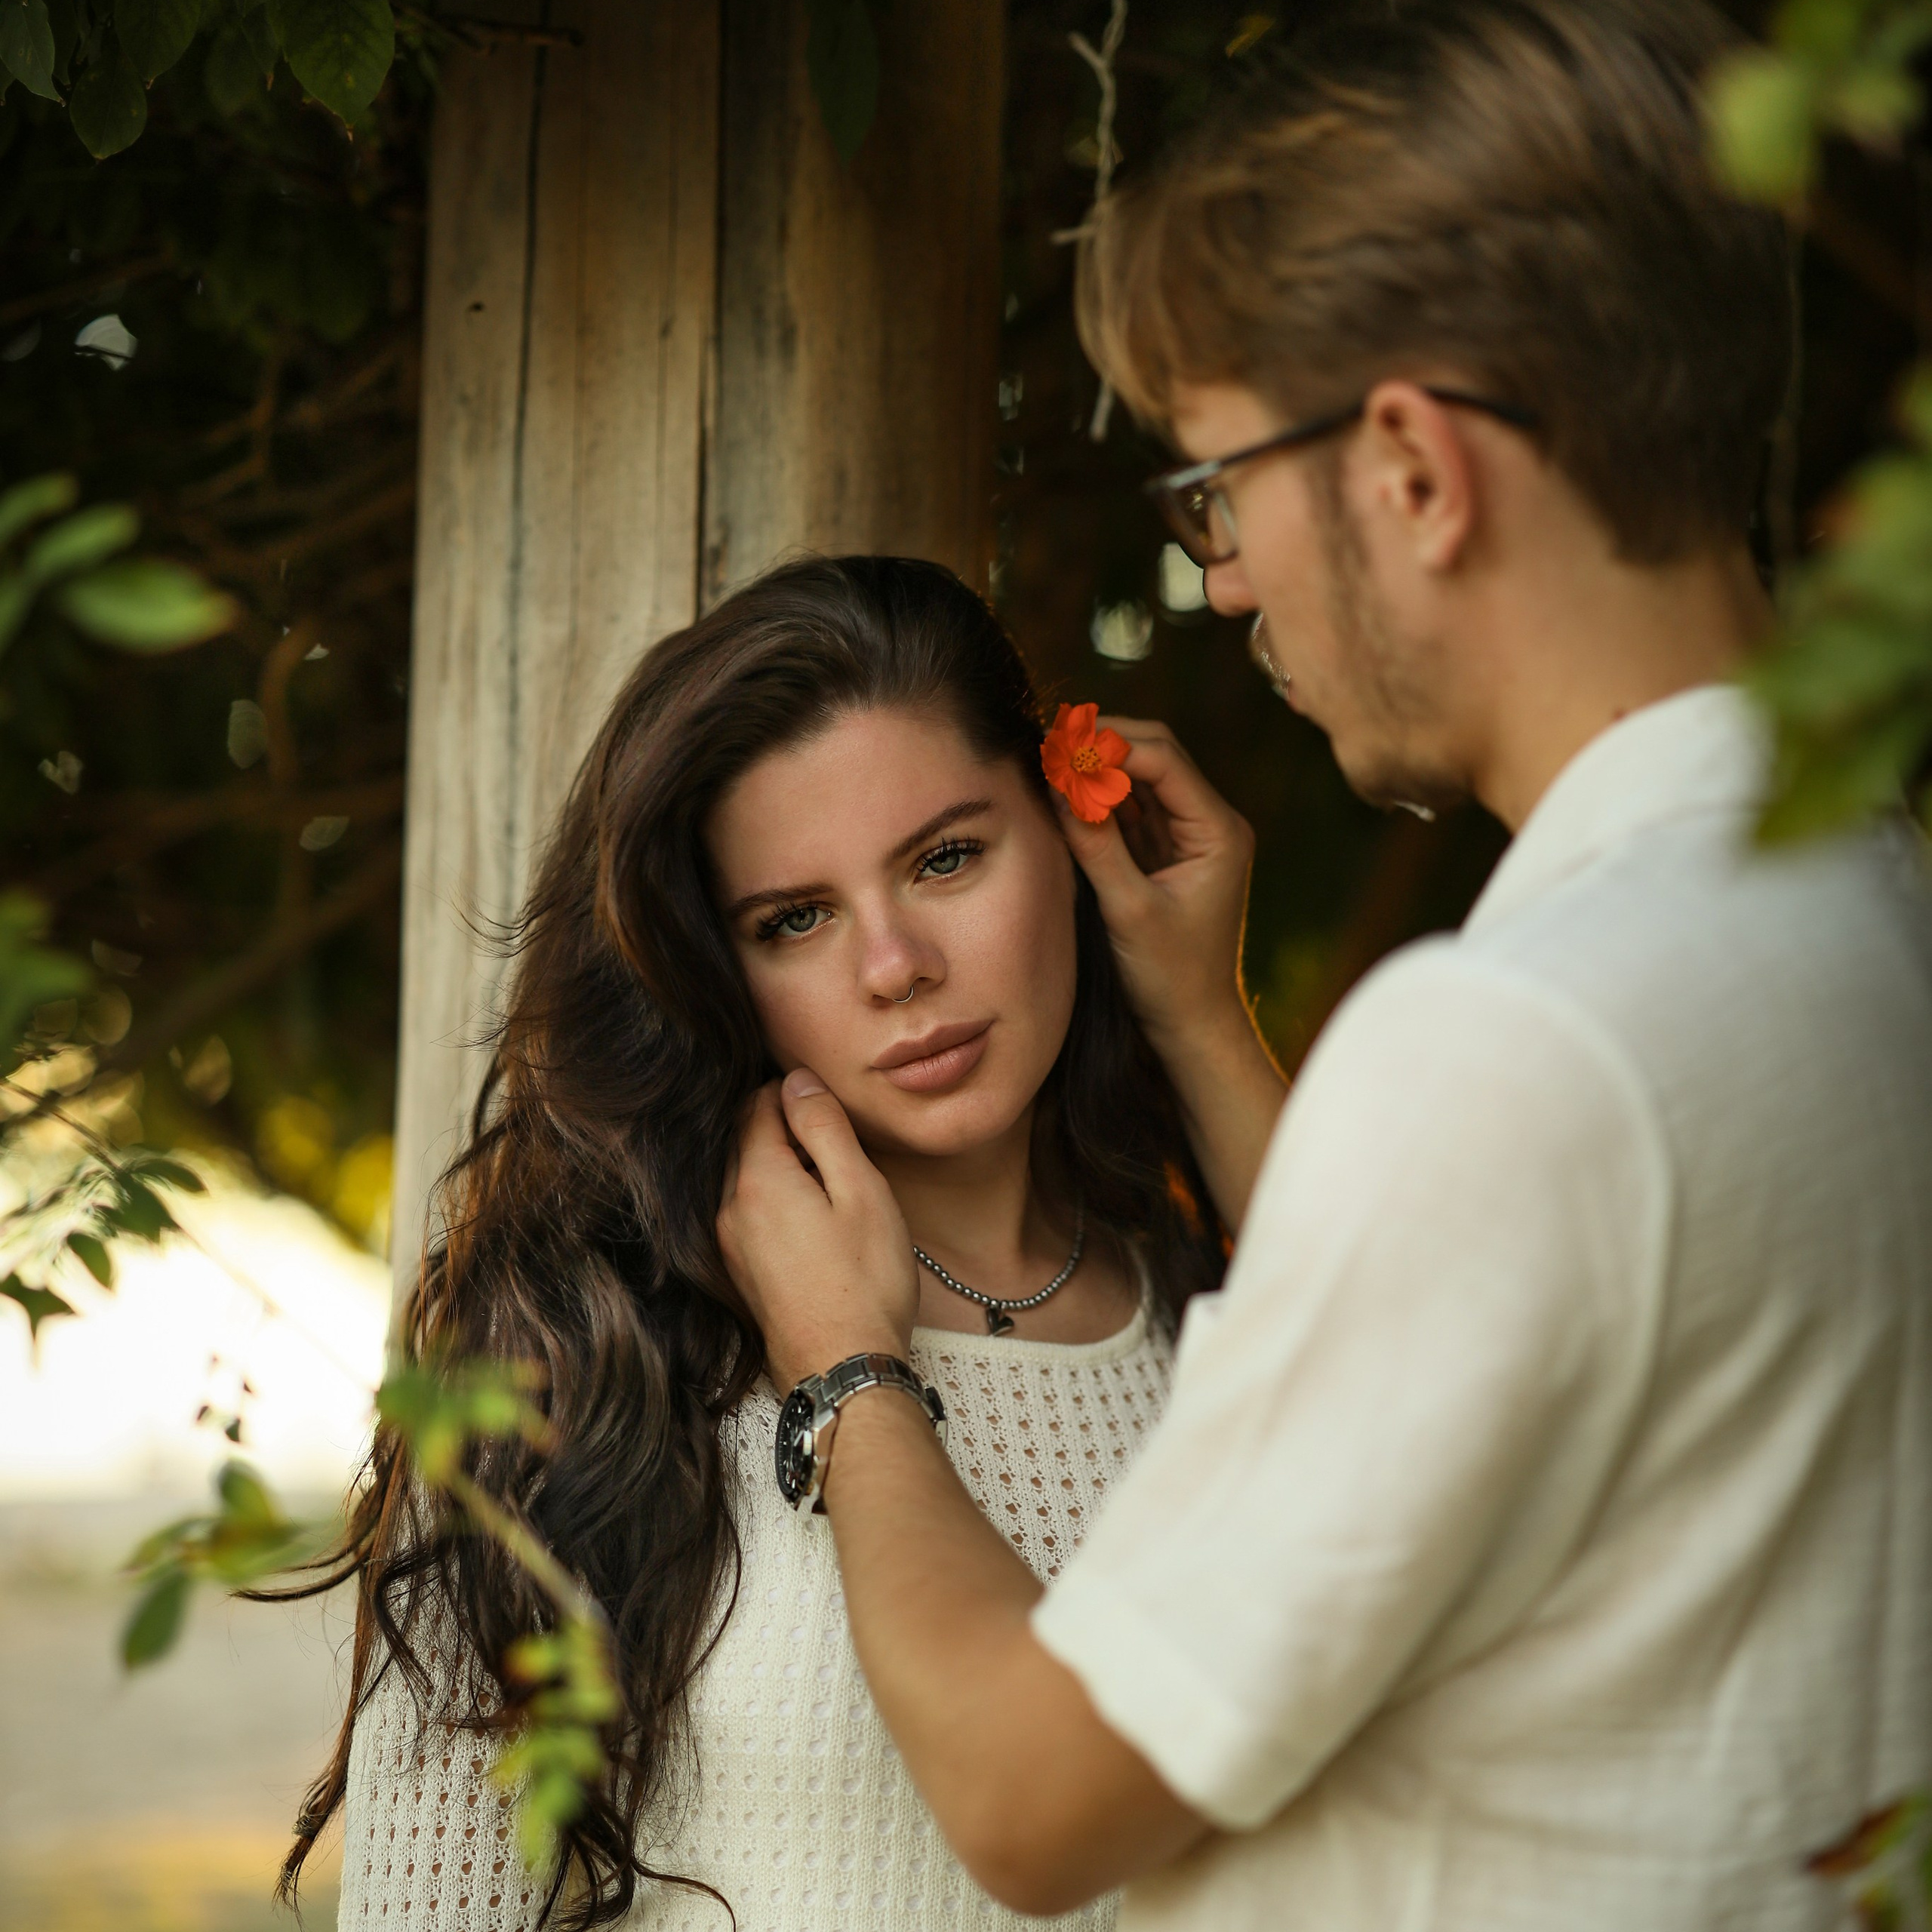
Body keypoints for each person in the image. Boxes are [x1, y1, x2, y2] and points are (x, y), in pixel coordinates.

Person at [715, 3, 1932, 1929]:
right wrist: (1202, 1018)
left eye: (1216, 488)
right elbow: (1481, 1347)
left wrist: (847, 1372)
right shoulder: (1857, 907)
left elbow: (1030, 1794)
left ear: (1410, 469)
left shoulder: (1518, 1042)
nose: (1220, 581)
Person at [287, 556, 1228, 1929]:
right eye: (796, 919)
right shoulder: (577, 1363)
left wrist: (1205, 1013)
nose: (896, 965)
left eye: (947, 858)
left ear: (1066, 840)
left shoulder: (1226, 1317)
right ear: (716, 971)